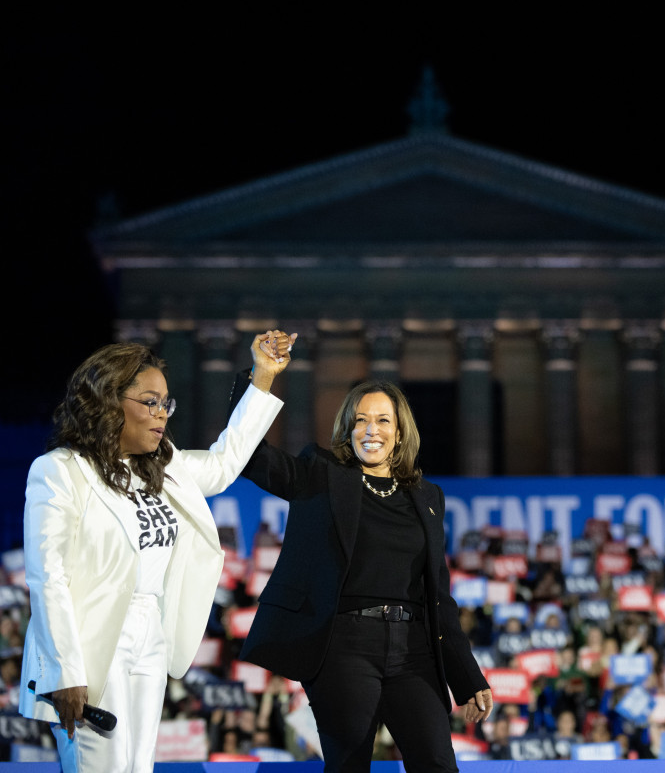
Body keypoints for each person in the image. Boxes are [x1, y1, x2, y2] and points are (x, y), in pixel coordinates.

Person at [19, 331, 294, 773]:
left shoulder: (165, 468)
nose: (162, 414)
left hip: (151, 635)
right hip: (90, 642)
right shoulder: (59, 471)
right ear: (107, 401)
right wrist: (64, 671)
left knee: (138, 767)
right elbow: (47, 576)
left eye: (166, 403)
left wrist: (262, 378)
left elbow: (226, 462)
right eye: (150, 401)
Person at [233, 367, 492, 772]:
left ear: (400, 432)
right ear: (347, 430)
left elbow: (439, 595)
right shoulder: (321, 474)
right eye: (360, 420)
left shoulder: (427, 497)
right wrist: (261, 378)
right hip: (343, 646)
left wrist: (468, 676)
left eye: (383, 420)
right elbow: (250, 456)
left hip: (414, 650)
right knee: (350, 764)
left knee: (438, 763)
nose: (371, 429)